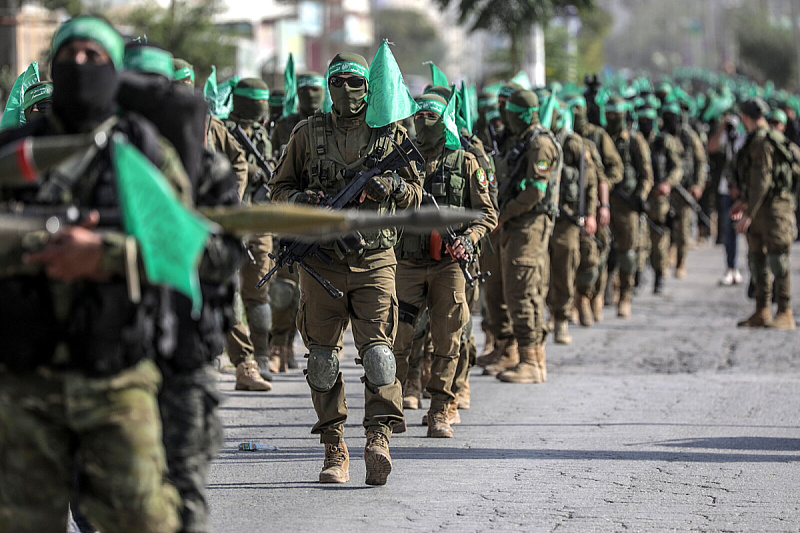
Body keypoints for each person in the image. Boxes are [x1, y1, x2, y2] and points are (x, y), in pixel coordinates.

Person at [0, 16, 182, 532]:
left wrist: (103, 254)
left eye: (93, 55)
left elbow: (186, 250)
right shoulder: (15, 154)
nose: (79, 64)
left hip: (115, 377)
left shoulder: (144, 152)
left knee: (145, 520)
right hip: (24, 382)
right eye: (69, 54)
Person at [269, 52, 422, 485]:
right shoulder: (307, 133)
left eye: (356, 82)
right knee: (321, 360)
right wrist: (304, 202)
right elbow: (278, 188)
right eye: (338, 82)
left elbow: (415, 190)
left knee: (379, 355)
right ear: (327, 85)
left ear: (368, 88)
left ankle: (378, 437)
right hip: (321, 261)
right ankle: (335, 445)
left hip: (374, 260)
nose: (347, 90)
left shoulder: (389, 133)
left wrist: (387, 185)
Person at [393, 93, 496, 437]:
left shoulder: (466, 162)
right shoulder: (401, 159)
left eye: (431, 115)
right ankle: (393, 403)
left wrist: (468, 239)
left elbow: (487, 213)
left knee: (448, 339)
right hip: (407, 261)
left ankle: (441, 409)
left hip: (447, 264)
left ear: (445, 121)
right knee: (399, 334)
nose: (423, 119)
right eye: (418, 114)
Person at [491, 89, 562, 384]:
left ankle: (531, 361)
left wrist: (503, 214)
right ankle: (528, 356)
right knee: (518, 290)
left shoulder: (540, 143)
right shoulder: (521, 141)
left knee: (524, 290)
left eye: (509, 110)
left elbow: (535, 191)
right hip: (518, 223)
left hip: (530, 224)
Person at [267, 72, 326, 373]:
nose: (311, 95)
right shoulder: (286, 127)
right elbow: (276, 171)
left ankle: (323, 349)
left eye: (317, 89)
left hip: (327, 220)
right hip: (292, 214)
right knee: (284, 287)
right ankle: (280, 345)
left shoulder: (333, 125)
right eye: (306, 90)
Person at [223, 78, 279, 384]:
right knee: (227, 293)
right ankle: (241, 361)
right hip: (230, 220)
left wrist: (265, 170)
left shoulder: (260, 133)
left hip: (258, 220)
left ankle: (261, 354)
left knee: (259, 293)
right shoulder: (221, 129)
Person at [732, 98, 797, 330]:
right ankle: (762, 310)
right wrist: (744, 203)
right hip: (759, 207)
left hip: (774, 208)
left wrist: (749, 212)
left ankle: (785, 312)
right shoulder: (756, 139)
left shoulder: (762, 141)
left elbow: (762, 179)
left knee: (777, 258)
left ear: (745, 117)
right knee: (757, 259)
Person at [570, 94, 623, 324]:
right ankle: (574, 301)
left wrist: (604, 203)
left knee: (596, 255)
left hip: (593, 204)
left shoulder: (595, 137)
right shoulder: (558, 138)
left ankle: (595, 296)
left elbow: (609, 171)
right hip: (568, 209)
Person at [549, 106, 598, 345]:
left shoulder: (573, 144)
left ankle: (562, 318)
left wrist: (590, 214)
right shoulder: (536, 141)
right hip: (542, 216)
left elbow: (590, 182)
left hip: (567, 219)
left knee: (565, 266)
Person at [606, 98, 653, 317]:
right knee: (601, 252)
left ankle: (625, 296)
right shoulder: (602, 137)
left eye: (617, 114)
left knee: (627, 254)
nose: (613, 118)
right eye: (610, 114)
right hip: (604, 202)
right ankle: (601, 294)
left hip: (626, 205)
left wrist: (640, 196)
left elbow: (646, 174)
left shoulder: (634, 140)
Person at [643, 102, 684, 295]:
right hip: (638, 196)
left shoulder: (664, 141)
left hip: (659, 198)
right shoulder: (636, 140)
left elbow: (677, 167)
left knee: (658, 237)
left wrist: (667, 183)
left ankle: (659, 274)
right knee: (638, 239)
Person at [667, 103, 707, 279]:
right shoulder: (663, 136)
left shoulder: (689, 137)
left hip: (684, 190)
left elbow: (700, 162)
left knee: (683, 230)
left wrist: (698, 185)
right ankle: (667, 257)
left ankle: (680, 262)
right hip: (666, 189)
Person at [707, 112, 745, 286]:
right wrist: (722, 128)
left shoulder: (747, 137)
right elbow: (711, 147)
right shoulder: (727, 137)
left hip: (746, 190)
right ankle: (731, 267)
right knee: (728, 230)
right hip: (727, 188)